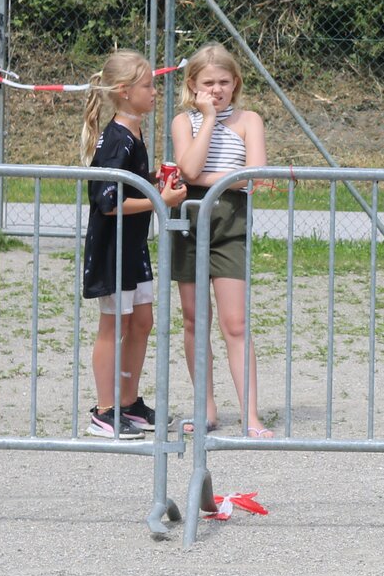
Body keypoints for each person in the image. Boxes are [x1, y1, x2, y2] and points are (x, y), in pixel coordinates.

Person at [80, 49, 187, 438]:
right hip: (113, 250)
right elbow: (108, 202)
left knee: (142, 321)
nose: (155, 92)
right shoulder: (115, 140)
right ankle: (103, 410)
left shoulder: (135, 132)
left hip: (134, 247)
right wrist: (162, 201)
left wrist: (153, 178)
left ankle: (129, 401)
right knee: (113, 325)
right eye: (148, 86)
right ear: (124, 92)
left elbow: (130, 184)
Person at [170, 42, 273, 438]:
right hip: (191, 221)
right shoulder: (185, 122)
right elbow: (190, 168)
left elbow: (254, 175)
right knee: (195, 320)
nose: (216, 89)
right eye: (208, 83)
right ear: (193, 85)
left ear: (236, 84)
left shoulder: (250, 120)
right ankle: (206, 408)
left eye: (224, 82)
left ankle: (250, 415)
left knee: (235, 322)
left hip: (231, 226)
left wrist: (206, 180)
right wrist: (208, 119)